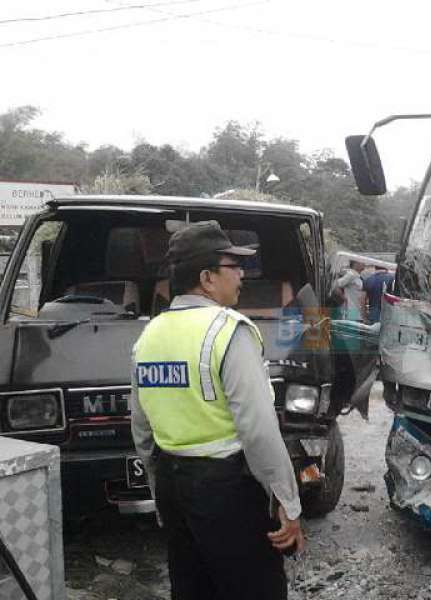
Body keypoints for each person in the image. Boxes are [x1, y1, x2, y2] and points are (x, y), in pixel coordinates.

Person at [130, 221, 303, 600]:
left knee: (192, 588)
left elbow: (142, 428)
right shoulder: (229, 331)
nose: (242, 275)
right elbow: (258, 431)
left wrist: (161, 495)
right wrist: (288, 503)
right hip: (225, 491)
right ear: (207, 278)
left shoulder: (150, 334)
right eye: (234, 267)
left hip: (175, 486)